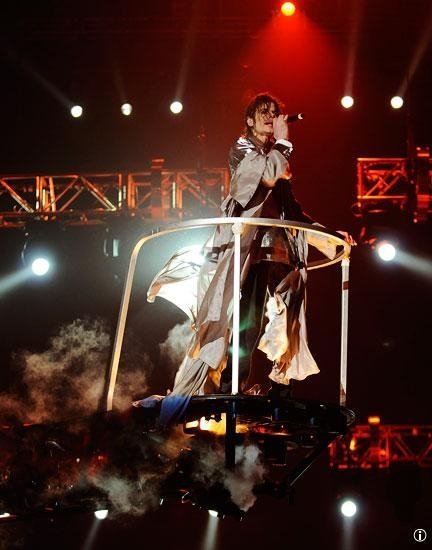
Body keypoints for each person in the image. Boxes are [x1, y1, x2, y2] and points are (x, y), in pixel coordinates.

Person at [134, 92, 355, 426]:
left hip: (278, 252)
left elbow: (292, 212)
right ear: (250, 121)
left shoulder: (277, 158)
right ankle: (231, 385)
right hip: (248, 251)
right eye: (263, 112)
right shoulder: (243, 150)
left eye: (274, 112)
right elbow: (263, 178)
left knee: (290, 317)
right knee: (247, 323)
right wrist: (284, 144)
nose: (270, 116)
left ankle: (281, 387)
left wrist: (330, 236)